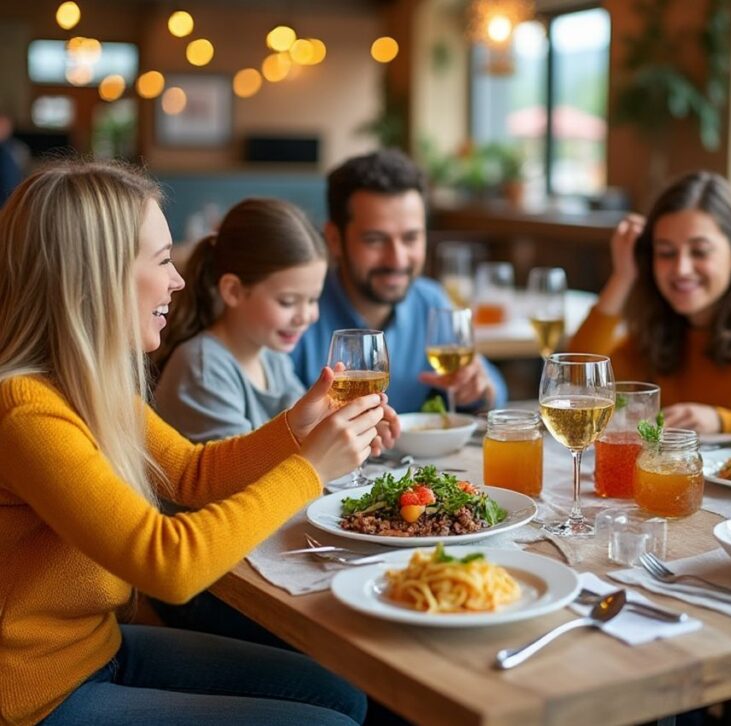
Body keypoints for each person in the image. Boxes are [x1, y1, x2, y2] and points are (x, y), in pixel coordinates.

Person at [0, 159, 399, 725]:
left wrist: (295, 430)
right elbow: (169, 565)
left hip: (98, 650)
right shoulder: (24, 410)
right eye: (163, 261)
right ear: (99, 274)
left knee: (344, 694)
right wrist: (309, 469)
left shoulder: (87, 382)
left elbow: (191, 472)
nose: (180, 280)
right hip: (40, 697)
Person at [568, 171, 731, 434]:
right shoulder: (657, 328)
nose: (681, 269)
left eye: (700, 251)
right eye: (666, 252)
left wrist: (723, 423)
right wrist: (623, 276)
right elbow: (579, 382)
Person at [290, 149, 507, 413]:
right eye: (375, 240)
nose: (397, 260)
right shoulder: (296, 315)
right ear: (334, 240)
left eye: (410, 238)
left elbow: (492, 388)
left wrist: (479, 389)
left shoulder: (431, 301)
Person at [152, 197, 326, 441]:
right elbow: (236, 472)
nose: (306, 316)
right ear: (233, 291)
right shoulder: (203, 368)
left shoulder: (272, 358)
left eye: (312, 299)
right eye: (287, 301)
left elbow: (308, 431)